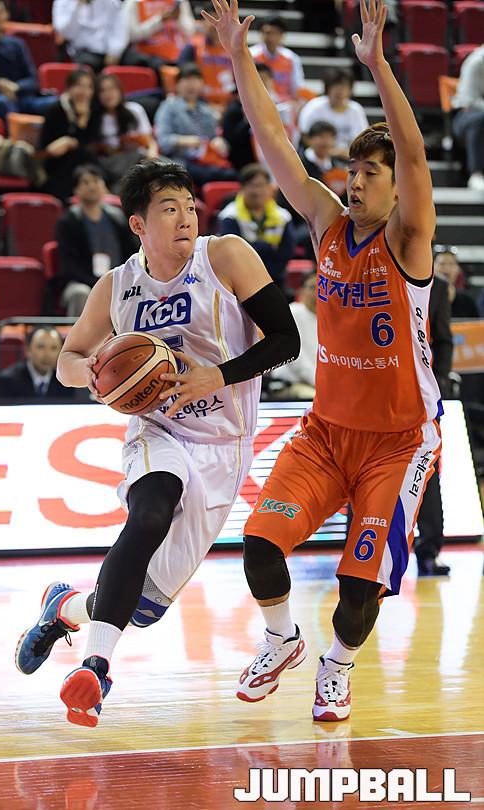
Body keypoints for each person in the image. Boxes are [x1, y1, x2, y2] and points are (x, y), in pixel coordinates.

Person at [205, 0, 442, 721]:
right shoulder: (326, 225)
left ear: (395, 186)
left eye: (370, 172)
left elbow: (413, 154)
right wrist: (238, 56)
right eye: (351, 169)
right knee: (258, 545)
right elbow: (273, 139)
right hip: (326, 432)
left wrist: (378, 65)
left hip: (398, 441)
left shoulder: (408, 239)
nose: (355, 181)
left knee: (358, 588)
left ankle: (336, 666)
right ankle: (282, 640)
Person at [15, 158, 300, 728]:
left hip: (223, 443)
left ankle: (64, 607)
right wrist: (94, 371)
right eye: (169, 209)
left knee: (143, 609)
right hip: (159, 428)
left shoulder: (226, 256)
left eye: (190, 206)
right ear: (139, 224)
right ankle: (97, 669)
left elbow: (287, 340)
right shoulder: (117, 286)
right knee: (148, 512)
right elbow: (69, 359)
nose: (186, 217)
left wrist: (215, 376)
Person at [54, 164, 139, 317]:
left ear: (104, 186)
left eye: (96, 181)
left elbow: (133, 252)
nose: (92, 186)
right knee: (79, 292)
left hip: (117, 278)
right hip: (82, 281)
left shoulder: (118, 219)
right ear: (76, 190)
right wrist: (97, 284)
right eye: (86, 182)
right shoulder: (69, 222)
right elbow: (69, 265)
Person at [413, 273, 453, 576]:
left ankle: (429, 551)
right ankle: (358, 550)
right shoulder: (370, 273)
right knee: (361, 472)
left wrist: (437, 386)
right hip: (375, 393)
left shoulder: (437, 287)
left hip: (423, 397)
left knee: (427, 471)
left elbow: (443, 340)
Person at [0, 0, 55, 120]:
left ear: (6, 15)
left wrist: (15, 87)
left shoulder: (17, 44)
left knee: (55, 103)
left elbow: (33, 79)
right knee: (2, 102)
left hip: (21, 96)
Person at [154, 62, 237, 186]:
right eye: (187, 80)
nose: (191, 85)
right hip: (180, 161)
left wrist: (219, 142)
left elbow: (214, 137)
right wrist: (186, 141)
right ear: (177, 84)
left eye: (196, 80)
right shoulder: (168, 107)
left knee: (232, 174)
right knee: (220, 175)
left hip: (207, 160)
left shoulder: (206, 110)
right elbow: (163, 141)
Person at [217, 162, 295, 288]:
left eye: (262, 186)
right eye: (253, 186)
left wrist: (254, 247)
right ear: (242, 188)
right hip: (240, 280)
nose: (257, 191)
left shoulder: (283, 216)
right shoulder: (229, 216)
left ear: (269, 188)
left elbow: (287, 252)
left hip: (275, 278)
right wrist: (269, 248)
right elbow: (232, 253)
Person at [39, 68, 100, 202]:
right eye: (79, 86)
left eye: (89, 87)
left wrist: (82, 123)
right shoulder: (56, 110)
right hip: (58, 163)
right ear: (69, 88)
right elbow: (45, 146)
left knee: (87, 158)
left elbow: (91, 142)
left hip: (84, 161)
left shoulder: (94, 110)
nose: (84, 91)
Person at [95, 72, 158, 193]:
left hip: (140, 157)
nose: (108, 94)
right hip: (113, 163)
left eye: (112, 89)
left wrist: (152, 153)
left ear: (120, 90)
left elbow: (149, 141)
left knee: (169, 168)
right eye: (103, 91)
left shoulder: (134, 109)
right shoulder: (96, 117)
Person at [298, 67, 368, 159]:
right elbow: (305, 136)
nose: (340, 91)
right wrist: (328, 152)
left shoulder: (356, 110)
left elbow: (361, 138)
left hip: (348, 156)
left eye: (344, 87)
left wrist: (348, 153)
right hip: (318, 156)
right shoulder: (314, 107)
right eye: (335, 87)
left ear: (350, 90)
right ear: (327, 88)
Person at [268, 271, 317, 399]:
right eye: (312, 287)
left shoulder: (331, 318)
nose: (317, 292)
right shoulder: (293, 312)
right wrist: (319, 382)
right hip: (291, 383)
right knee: (317, 397)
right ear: (301, 291)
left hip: (319, 382)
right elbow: (297, 359)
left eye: (321, 288)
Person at [0, 327, 76, 400]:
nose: (47, 355)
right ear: (27, 350)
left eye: (53, 348)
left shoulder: (68, 382)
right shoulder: (8, 381)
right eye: (41, 347)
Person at [52, 0, 130, 72]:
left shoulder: (112, 2)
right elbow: (66, 34)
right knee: (87, 66)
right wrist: (77, 7)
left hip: (110, 49)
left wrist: (115, 52)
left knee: (134, 60)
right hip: (83, 50)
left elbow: (120, 29)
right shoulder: (63, 2)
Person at [178, 18, 235, 108]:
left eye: (220, 19)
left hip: (229, 101)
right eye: (211, 21)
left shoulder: (233, 47)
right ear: (203, 24)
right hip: (200, 101)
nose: (215, 25)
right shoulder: (193, 45)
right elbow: (184, 73)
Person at [249, 15, 306, 103]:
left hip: (285, 105)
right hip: (257, 102)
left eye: (275, 33)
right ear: (261, 33)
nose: (271, 37)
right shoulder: (251, 55)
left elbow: (297, 86)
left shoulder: (291, 58)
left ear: (282, 35)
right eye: (268, 32)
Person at [123, 0, 195, 67]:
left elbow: (190, 32)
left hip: (176, 60)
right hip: (145, 61)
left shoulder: (179, 2)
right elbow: (132, 36)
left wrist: (178, 18)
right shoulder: (133, 2)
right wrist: (160, 20)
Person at [451, 45, 484, 192]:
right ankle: (476, 173)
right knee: (480, 119)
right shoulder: (476, 62)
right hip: (465, 116)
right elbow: (470, 101)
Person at [433, 245, 480, 319]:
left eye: (451, 264)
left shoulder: (467, 302)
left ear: (458, 269)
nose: (446, 269)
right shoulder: (424, 300)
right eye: (442, 264)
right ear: (432, 268)